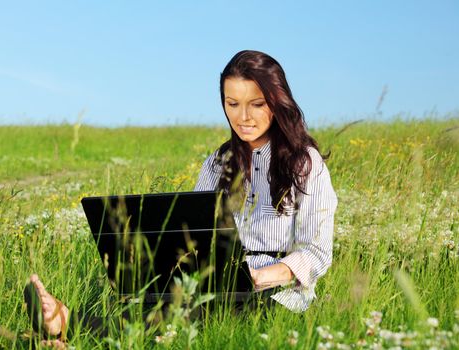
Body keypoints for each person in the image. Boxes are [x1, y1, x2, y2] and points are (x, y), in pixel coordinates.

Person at [24, 50, 337, 347]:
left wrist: (259, 277)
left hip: (278, 297)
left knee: (190, 319)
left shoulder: (305, 164)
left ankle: (68, 325)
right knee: (166, 308)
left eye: (256, 104)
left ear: (276, 101)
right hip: (210, 290)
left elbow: (317, 252)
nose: (242, 116)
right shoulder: (217, 163)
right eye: (232, 103)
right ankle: (72, 330)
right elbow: (193, 233)